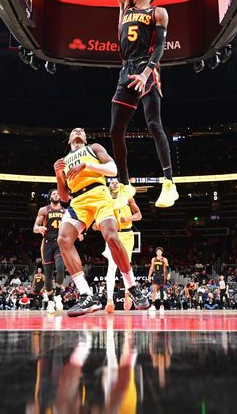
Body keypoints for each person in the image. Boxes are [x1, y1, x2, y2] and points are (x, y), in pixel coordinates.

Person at [53, 127, 150, 317]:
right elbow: (64, 197)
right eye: (74, 130)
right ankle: (87, 295)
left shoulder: (93, 148)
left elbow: (113, 169)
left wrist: (87, 166)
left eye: (81, 130)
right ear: (69, 139)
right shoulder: (63, 163)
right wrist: (58, 176)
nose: (79, 131)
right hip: (78, 202)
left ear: (86, 137)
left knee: (112, 238)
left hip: (99, 195)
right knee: (63, 240)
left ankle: (132, 286)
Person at [108, 0, 178, 210]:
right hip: (126, 68)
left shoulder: (158, 11)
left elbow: (159, 48)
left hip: (146, 68)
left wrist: (146, 73)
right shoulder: (126, 4)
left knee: (153, 124)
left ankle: (169, 183)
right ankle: (125, 184)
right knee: (116, 131)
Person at [103, 178, 142, 314]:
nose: (113, 183)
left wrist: (128, 219)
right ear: (108, 185)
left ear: (119, 184)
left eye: (116, 181)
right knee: (112, 266)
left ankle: (127, 294)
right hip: (112, 234)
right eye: (111, 182)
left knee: (125, 267)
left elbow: (139, 215)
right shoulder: (105, 198)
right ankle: (109, 300)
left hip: (127, 235)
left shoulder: (127, 196)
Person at [33, 189, 67, 313]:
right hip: (47, 243)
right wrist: (39, 228)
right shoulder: (44, 210)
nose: (56, 195)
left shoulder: (66, 211)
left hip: (59, 243)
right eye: (53, 194)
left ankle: (58, 295)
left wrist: (78, 233)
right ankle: (51, 301)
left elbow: (72, 226)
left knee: (61, 268)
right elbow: (35, 227)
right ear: (50, 197)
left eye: (58, 193)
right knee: (48, 275)